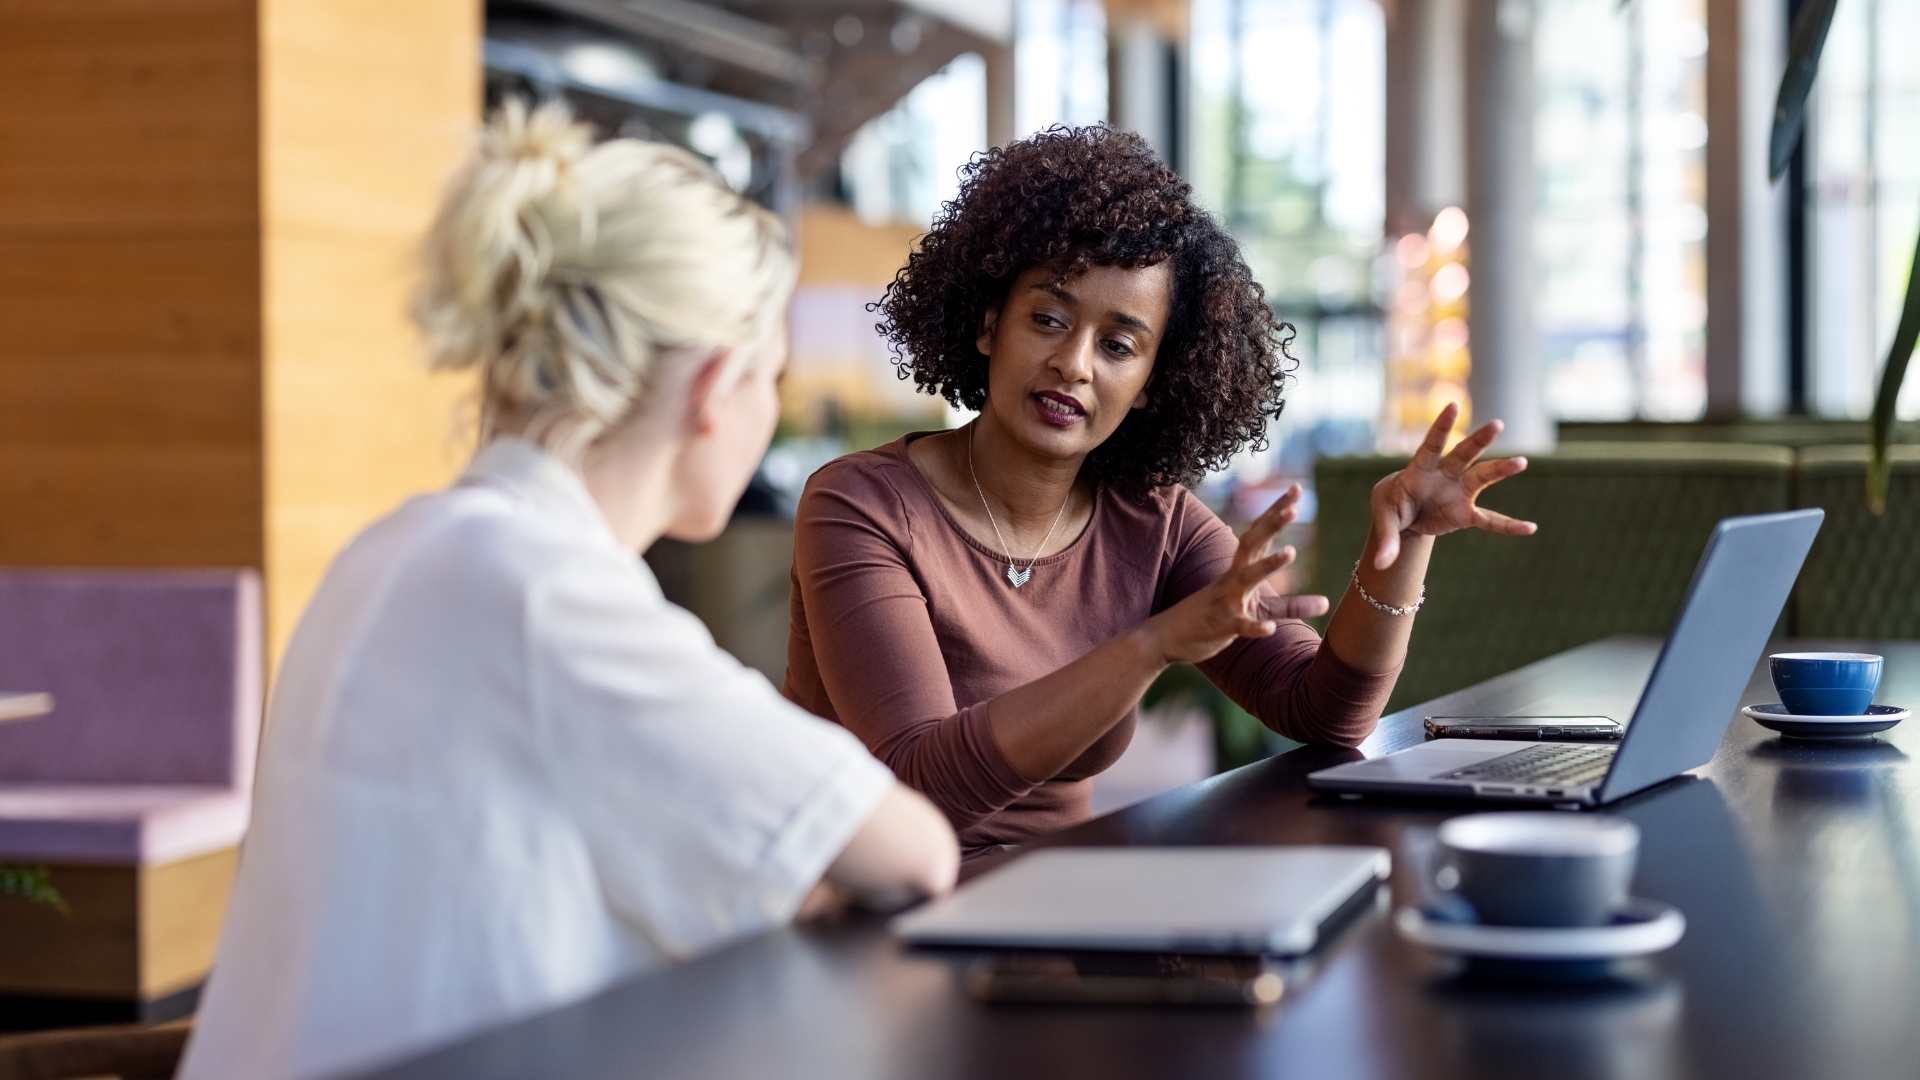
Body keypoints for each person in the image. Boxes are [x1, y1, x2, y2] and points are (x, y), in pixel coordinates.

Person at [180, 102, 957, 1080]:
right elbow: (911, 851)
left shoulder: (395, 549)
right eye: (773, 377)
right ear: (717, 390)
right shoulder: (547, 595)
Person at [783, 126, 1536, 860]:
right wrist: (1153, 645)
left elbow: (1326, 714)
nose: (1074, 364)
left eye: (1118, 345)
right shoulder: (861, 505)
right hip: (868, 911)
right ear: (989, 324)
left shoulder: (1153, 519)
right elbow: (921, 782)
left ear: (1151, 383)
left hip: (1052, 910)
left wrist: (1402, 547)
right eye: (1047, 319)